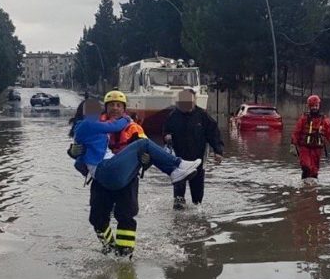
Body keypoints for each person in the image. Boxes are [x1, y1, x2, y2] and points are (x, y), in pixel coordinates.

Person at [74, 98, 202, 189]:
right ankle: (177, 165)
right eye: (111, 105)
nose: (115, 108)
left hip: (116, 173)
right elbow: (115, 126)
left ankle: (174, 171)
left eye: (119, 105)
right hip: (106, 170)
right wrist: (126, 118)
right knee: (143, 143)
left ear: (124, 108)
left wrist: (146, 161)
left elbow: (150, 153)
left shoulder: (93, 127)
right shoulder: (89, 124)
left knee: (126, 217)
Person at [163, 89, 224, 210]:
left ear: (194, 100)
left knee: (197, 199)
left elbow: (213, 134)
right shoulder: (173, 116)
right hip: (179, 161)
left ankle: (197, 214)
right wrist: (166, 136)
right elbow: (165, 131)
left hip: (198, 160)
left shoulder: (202, 116)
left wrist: (218, 151)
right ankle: (179, 217)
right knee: (179, 199)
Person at [290, 95, 330, 182]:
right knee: (306, 166)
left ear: (318, 106)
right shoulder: (304, 119)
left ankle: (312, 191)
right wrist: (293, 144)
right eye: (312, 106)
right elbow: (297, 131)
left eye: (316, 106)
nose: (314, 108)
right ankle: (304, 185)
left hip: (317, 148)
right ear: (309, 107)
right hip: (305, 147)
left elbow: (329, 133)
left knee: (314, 170)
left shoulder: (324, 120)